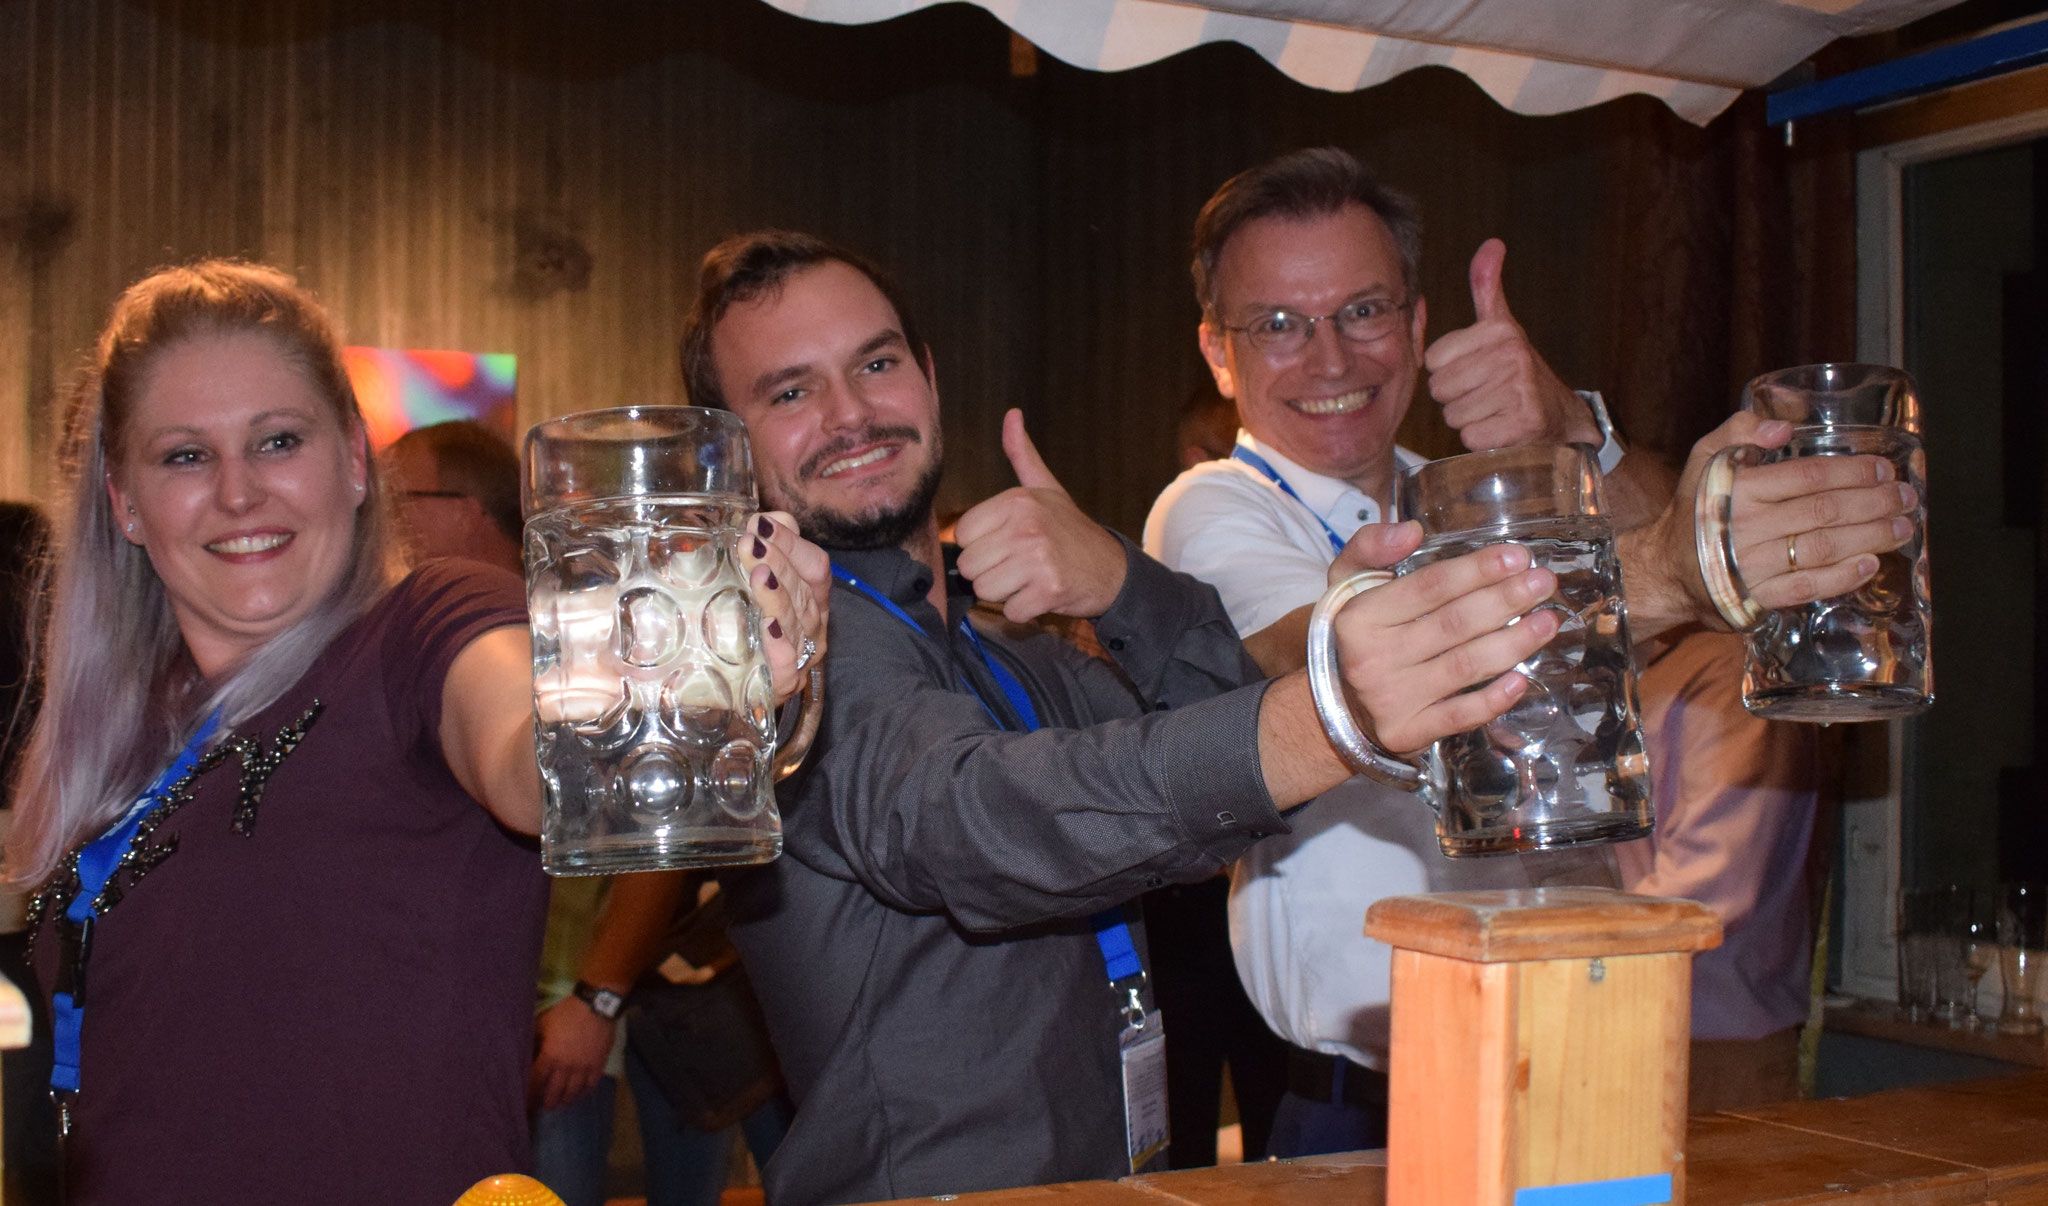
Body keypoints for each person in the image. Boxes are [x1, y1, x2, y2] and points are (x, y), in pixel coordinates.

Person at [677, 229, 1603, 1206]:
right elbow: (969, 822)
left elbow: (1199, 722)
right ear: (724, 454)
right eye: (789, 392)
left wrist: (1118, 578)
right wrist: (1335, 713)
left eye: (875, 362)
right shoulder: (784, 661)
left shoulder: (998, 634)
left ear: (929, 375)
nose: (851, 413)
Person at [4, 259, 827, 1206]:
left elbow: (526, 753)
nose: (239, 494)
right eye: (185, 456)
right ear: (124, 502)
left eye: (278, 441)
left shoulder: (421, 630)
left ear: (355, 461)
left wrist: (696, 686)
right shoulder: (121, 725)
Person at [1144, 147, 1918, 1154]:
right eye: (1279, 325)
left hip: (1576, 1057)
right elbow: (1326, 662)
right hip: (1371, 1113)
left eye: (1363, 311)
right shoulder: (1211, 510)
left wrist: (1573, 430)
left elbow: (1697, 575)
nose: (1330, 359)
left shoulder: (1465, 496)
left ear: (1418, 326)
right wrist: (1670, 567)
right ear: (1216, 351)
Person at [1615, 628, 1819, 1114]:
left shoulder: (1731, 669)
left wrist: (1557, 951)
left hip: (1710, 1042)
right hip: (1648, 1023)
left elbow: (1710, 884)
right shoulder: (1655, 664)